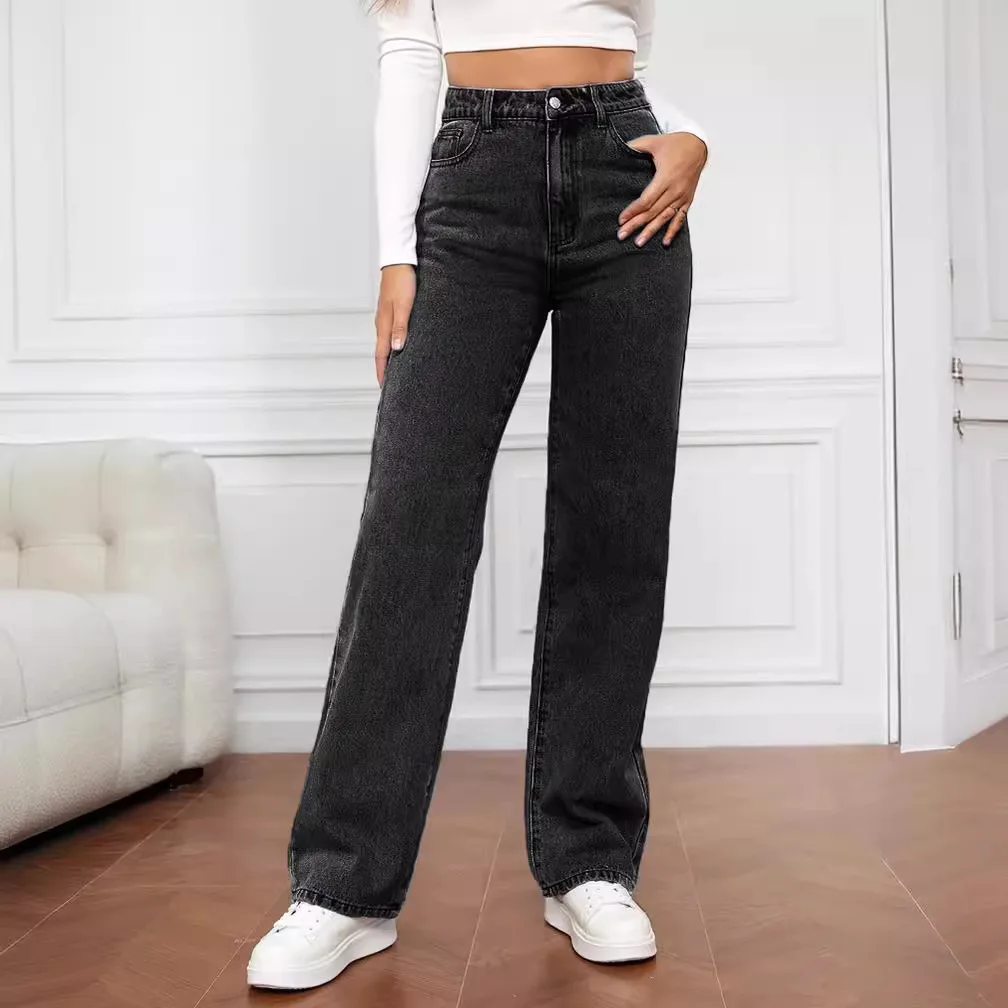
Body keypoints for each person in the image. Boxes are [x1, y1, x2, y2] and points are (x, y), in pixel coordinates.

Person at [247, 0, 708, 990]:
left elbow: (627, 48)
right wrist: (395, 252)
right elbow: (412, 52)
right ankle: (342, 886)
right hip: (471, 182)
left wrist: (694, 134)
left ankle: (589, 863)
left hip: (627, 181)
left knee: (615, 525)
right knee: (410, 526)